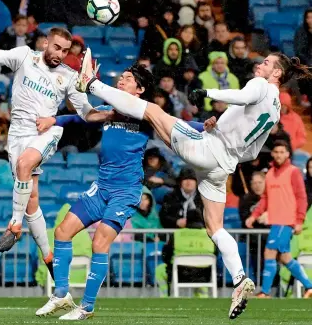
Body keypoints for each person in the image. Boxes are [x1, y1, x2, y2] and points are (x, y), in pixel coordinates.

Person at [77, 48, 312, 319]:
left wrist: (208, 93)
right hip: (222, 166)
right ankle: (239, 279)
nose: (261, 65)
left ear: (277, 73)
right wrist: (219, 130)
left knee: (153, 110)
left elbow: (243, 95)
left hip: (208, 150)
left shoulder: (261, 85)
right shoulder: (276, 111)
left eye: (267, 63)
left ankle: (92, 84)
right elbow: (252, 153)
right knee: (216, 228)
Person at [35, 64, 212, 320]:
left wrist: (204, 126)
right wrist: (54, 119)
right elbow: (80, 117)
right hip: (101, 187)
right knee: (62, 231)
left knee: (99, 242)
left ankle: (86, 307)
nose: (120, 81)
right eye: (121, 77)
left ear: (139, 89)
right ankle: (61, 293)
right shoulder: (109, 110)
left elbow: (179, 124)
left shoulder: (145, 115)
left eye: (127, 79)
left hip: (126, 191)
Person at [0, 24, 113, 279]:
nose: (60, 54)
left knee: (24, 165)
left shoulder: (70, 76)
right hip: (16, 134)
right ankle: (49, 257)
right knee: (32, 201)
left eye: (64, 50)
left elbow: (86, 113)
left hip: (45, 132)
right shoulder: (24, 56)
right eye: (56, 47)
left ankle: (14, 226)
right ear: (45, 44)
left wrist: (110, 112)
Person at [246, 140, 312, 298]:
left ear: (288, 154)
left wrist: (299, 221)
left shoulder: (293, 172)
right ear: (272, 154)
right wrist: (254, 216)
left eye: (282, 152)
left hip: (286, 221)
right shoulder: (269, 174)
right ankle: (310, 287)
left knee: (269, 252)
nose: (279, 155)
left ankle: (266, 292)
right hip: (276, 221)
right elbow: (265, 199)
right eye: (276, 152)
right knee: (285, 257)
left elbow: (301, 198)